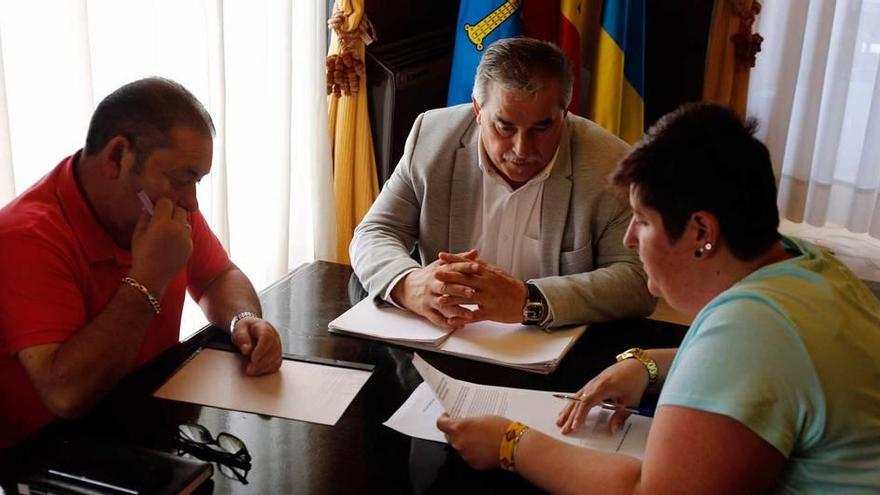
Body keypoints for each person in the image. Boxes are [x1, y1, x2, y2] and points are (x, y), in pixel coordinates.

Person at [437, 103, 880, 493]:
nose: (629, 239)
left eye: (643, 221)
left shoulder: (750, 331)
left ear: (701, 232)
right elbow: (772, 371)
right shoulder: (809, 264)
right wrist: (648, 364)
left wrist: (510, 443)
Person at [0, 78, 283, 447]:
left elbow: (219, 277)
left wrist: (244, 319)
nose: (192, 202)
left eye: (197, 180)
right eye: (184, 178)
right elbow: (66, 395)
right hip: (55, 456)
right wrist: (149, 277)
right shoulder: (26, 237)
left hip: (145, 426)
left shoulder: (164, 206)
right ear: (118, 157)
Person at [350, 37, 654, 330]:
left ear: (565, 113)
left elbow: (639, 280)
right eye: (505, 126)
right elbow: (375, 231)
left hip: (554, 351)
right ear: (478, 110)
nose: (522, 149)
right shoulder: (431, 137)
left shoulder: (609, 164)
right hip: (448, 338)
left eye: (542, 127)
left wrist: (530, 300)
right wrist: (407, 283)